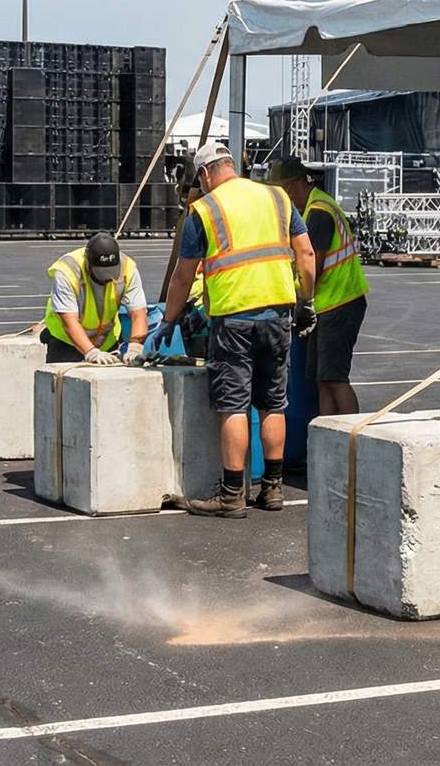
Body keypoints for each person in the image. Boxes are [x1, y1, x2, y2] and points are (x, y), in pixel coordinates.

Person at [155, 143, 316, 517]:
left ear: (207, 173)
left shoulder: (205, 210)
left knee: (233, 406)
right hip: (278, 314)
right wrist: (305, 302)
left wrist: (169, 319)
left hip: (233, 320)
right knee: (274, 403)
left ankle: (231, 496)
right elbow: (306, 254)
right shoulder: (277, 198)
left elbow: (183, 275)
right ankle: (272, 490)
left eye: (200, 179)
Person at [267, 156, 367, 419]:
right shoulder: (311, 209)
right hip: (328, 304)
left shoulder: (319, 212)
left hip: (340, 303)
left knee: (335, 378)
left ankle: (350, 439)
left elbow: (311, 264)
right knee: (322, 380)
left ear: (289, 188)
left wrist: (297, 300)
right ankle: (325, 440)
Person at [40, 231, 147, 365]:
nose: (107, 278)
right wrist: (91, 352)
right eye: (101, 273)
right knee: (67, 382)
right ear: (88, 263)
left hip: (107, 341)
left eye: (111, 272)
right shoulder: (68, 272)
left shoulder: (127, 269)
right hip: (67, 341)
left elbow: (139, 314)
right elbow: (69, 322)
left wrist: (135, 348)